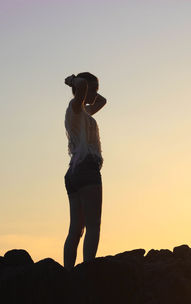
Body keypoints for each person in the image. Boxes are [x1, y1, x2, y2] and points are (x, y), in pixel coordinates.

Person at [63, 72, 107, 271]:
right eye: (91, 90)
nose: (94, 94)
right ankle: (87, 273)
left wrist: (92, 90)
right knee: (92, 226)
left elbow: (103, 101)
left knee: (76, 229)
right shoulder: (75, 108)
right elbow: (80, 86)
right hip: (87, 169)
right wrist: (74, 82)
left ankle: (68, 273)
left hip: (74, 172)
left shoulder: (85, 111)